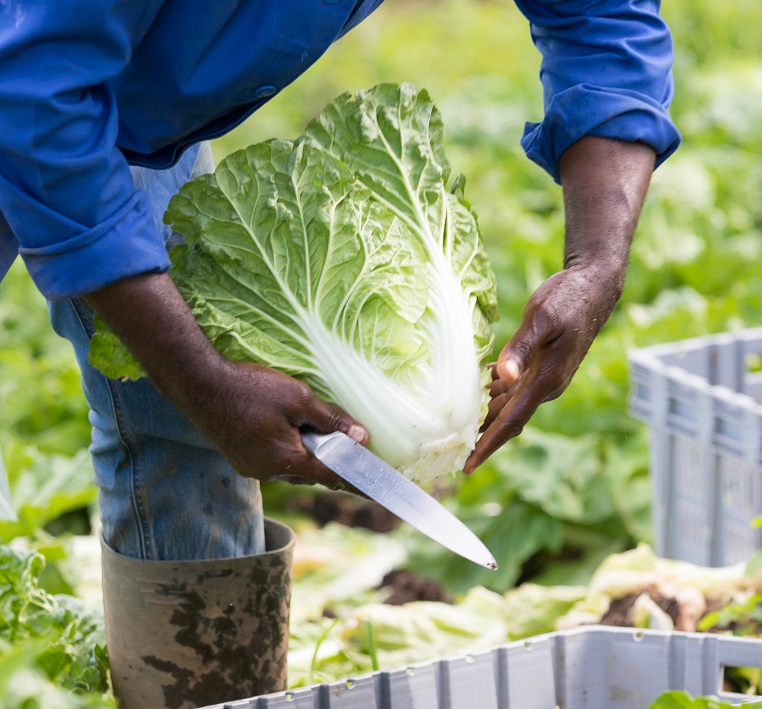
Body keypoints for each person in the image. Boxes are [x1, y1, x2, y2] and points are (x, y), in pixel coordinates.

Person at [0, 1, 679, 706]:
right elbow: (30, 89)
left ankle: (207, 692)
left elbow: (602, 13)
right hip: (31, 72)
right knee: (186, 380)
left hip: (108, 83)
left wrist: (598, 261)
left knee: (178, 415)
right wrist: (203, 380)